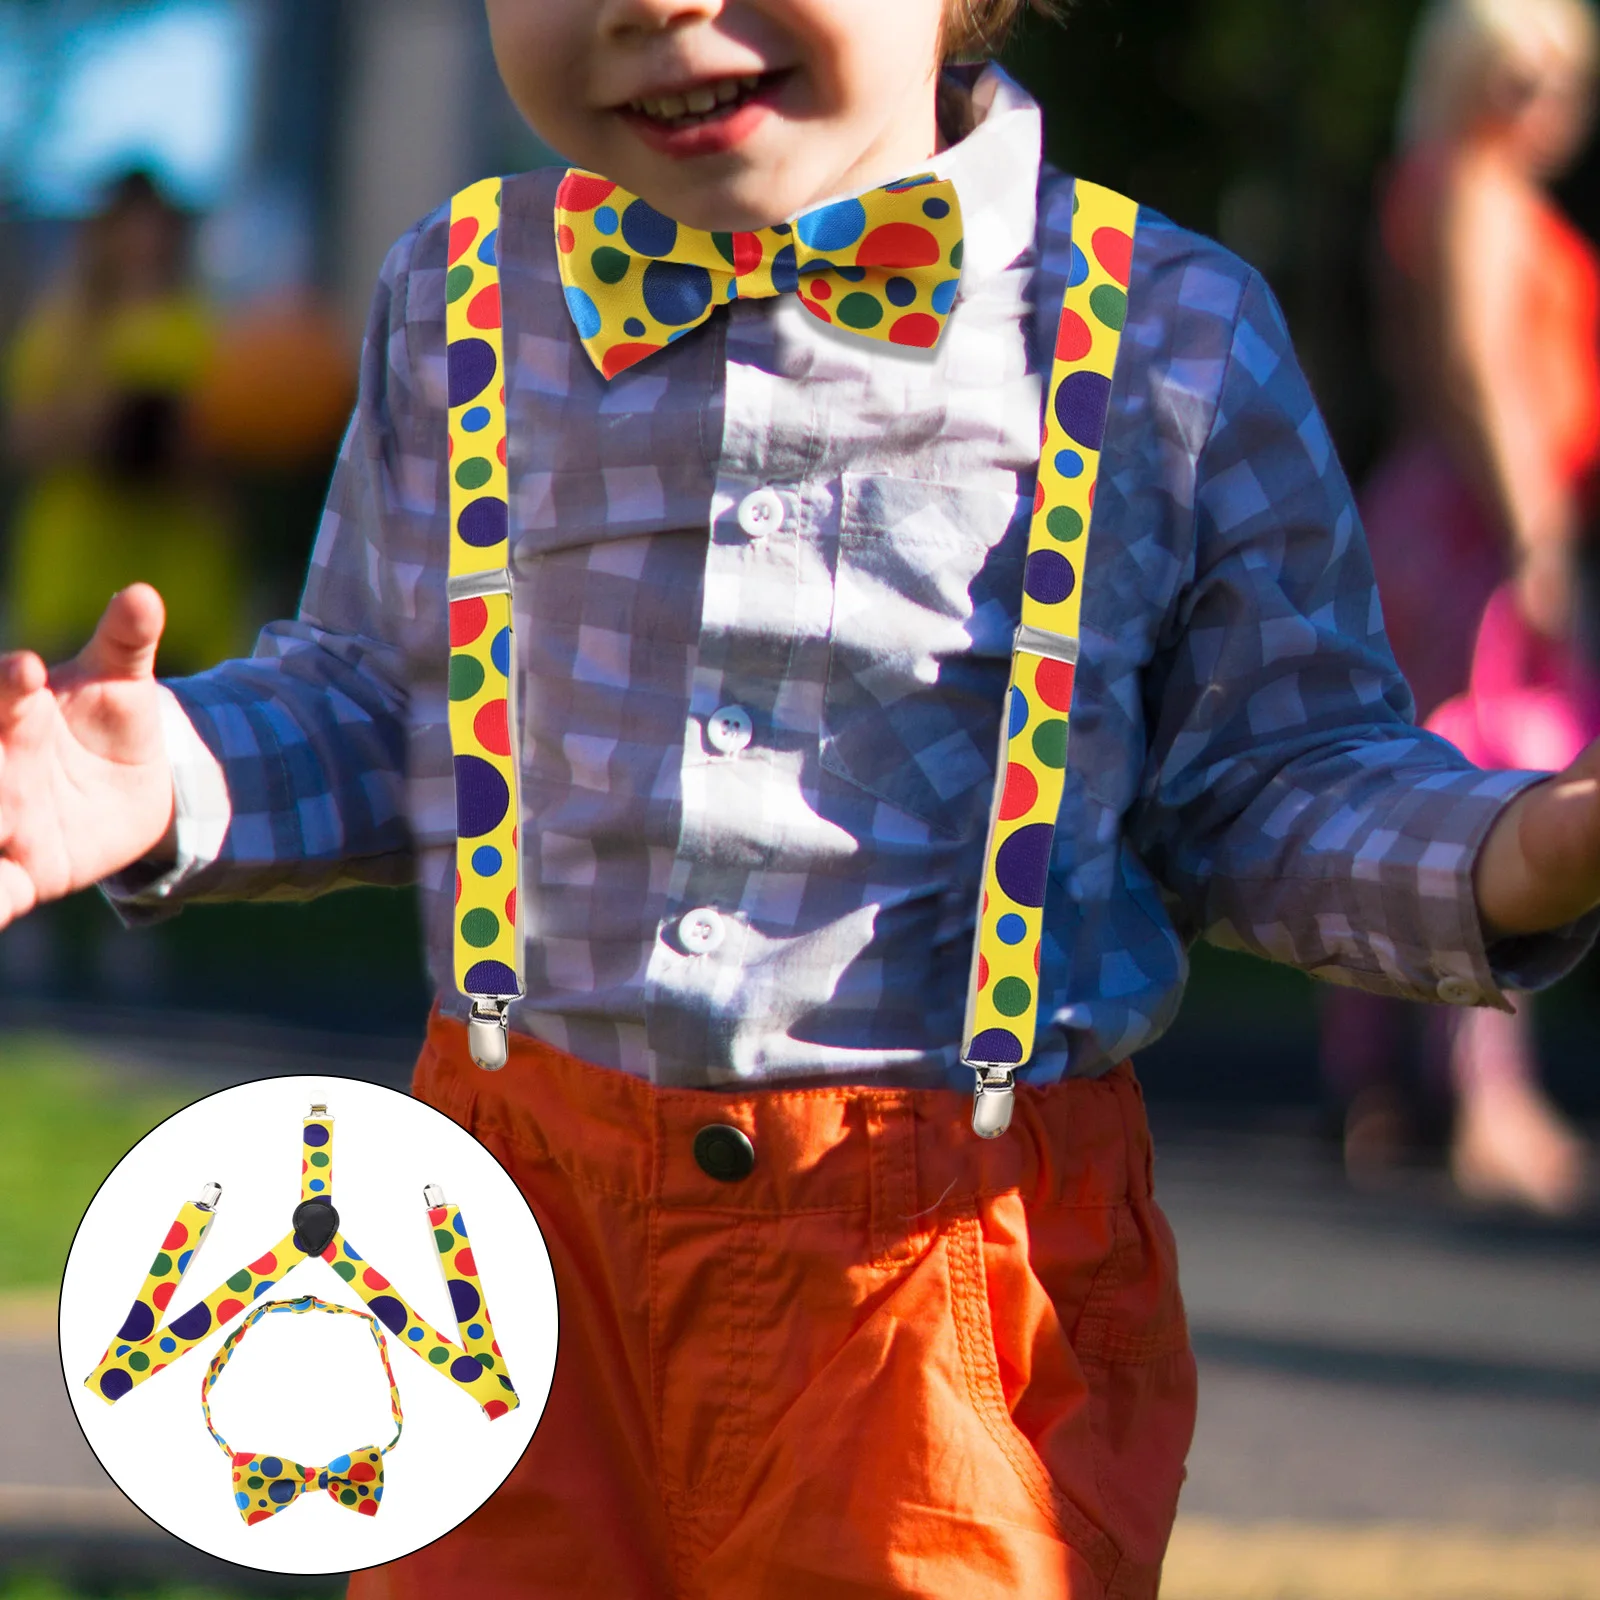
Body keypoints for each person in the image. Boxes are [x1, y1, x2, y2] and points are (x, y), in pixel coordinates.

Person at [3, 0, 1600, 1593]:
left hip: (937, 1291)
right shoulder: (462, 293)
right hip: (502, 1248)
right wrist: (171, 770)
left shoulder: (1169, 335)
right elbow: (383, 704)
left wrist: (1514, 850)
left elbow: (1267, 779)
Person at [1328, 0, 1600, 1212]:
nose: (1544, 105)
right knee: (1505, 796)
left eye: (1560, 80)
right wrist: (1533, 532)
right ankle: (1485, 1098)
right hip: (1474, 519)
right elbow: (1480, 371)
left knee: (1408, 782)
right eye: (1518, 77)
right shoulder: (1476, 187)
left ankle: (1379, 1081)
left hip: (1438, 508)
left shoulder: (1436, 182)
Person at [1, 170, 246, 676]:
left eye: (155, 229)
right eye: (130, 228)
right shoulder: (65, 328)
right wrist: (110, 424)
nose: (143, 242)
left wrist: (179, 442)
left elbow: (237, 442)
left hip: (178, 588)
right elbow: (25, 435)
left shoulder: (205, 328)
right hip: (77, 580)